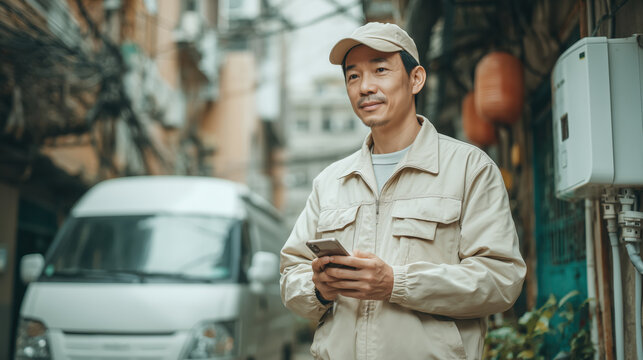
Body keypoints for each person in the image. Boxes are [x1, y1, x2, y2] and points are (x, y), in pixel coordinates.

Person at [280, 22, 526, 359]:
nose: (365, 87)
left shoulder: (469, 169)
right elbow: (291, 273)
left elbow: (501, 279)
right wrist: (318, 289)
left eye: (380, 69)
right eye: (353, 76)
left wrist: (396, 283)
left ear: (416, 79)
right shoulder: (330, 182)